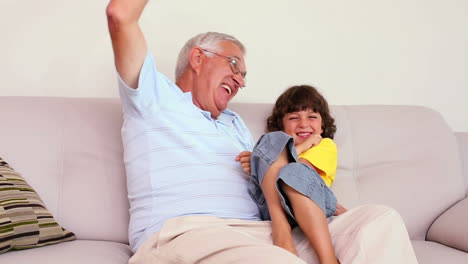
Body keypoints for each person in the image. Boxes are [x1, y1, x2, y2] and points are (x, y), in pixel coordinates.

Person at [106, 1, 419, 263]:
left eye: (244, 75)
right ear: (198, 58)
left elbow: (271, 186)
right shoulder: (151, 96)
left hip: (257, 233)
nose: (240, 80)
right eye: (234, 65)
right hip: (183, 234)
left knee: (379, 221)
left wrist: (322, 203)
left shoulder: (235, 124)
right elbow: (120, 15)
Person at [249, 85, 345, 263]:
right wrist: (257, 161)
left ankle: (329, 259)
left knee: (291, 171)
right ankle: (281, 227)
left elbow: (297, 172)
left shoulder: (324, 145)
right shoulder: (275, 140)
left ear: (322, 126)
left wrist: (299, 147)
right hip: (274, 206)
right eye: (294, 118)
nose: (303, 124)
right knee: (270, 141)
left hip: (313, 201)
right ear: (282, 125)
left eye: (312, 117)